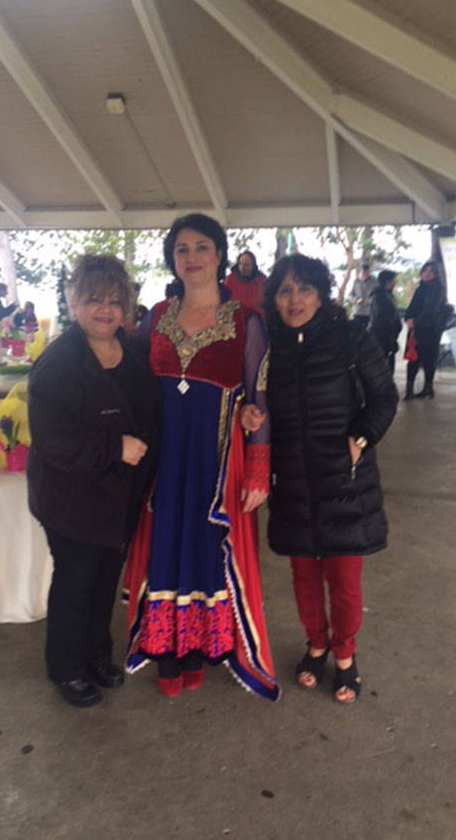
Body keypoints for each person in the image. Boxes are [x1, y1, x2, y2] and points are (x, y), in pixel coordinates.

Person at [124, 213, 279, 701]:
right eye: (181, 249)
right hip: (164, 461)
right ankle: (165, 649)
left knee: (207, 546)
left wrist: (257, 468)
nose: (191, 258)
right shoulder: (154, 317)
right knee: (165, 543)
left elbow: (260, 399)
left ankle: (200, 650)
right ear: (172, 259)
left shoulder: (246, 323)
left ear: (220, 255)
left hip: (217, 461)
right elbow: (126, 381)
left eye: (201, 247)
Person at [242, 254, 397, 703]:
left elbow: (384, 396)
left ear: (322, 293)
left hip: (344, 481)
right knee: (303, 575)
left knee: (345, 579)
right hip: (290, 480)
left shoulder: (350, 337)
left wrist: (362, 435)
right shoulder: (267, 344)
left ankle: (345, 654)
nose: (295, 300)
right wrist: (248, 413)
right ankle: (316, 643)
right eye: (286, 290)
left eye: (305, 289)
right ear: (274, 297)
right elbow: (251, 398)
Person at [27, 255, 160, 708]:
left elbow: (149, 410)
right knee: (76, 579)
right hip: (71, 498)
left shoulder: (132, 349)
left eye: (115, 300)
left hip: (117, 495)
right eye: (93, 299)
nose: (105, 309)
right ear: (73, 302)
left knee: (105, 579)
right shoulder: (58, 363)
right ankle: (66, 668)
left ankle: (98, 656)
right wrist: (114, 448)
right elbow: (52, 439)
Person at [403, 261, 447, 399]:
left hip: (430, 330)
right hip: (416, 329)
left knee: (428, 360)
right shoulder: (419, 288)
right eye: (425, 271)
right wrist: (408, 319)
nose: (427, 273)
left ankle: (428, 388)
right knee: (413, 359)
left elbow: (430, 310)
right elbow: (411, 307)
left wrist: (414, 321)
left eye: (431, 271)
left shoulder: (438, 290)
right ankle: (409, 390)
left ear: (435, 274)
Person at [368, 270, 402, 373]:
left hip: (389, 337)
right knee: (381, 367)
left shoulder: (388, 295)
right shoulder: (378, 296)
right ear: (387, 281)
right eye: (393, 280)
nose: (395, 283)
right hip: (381, 337)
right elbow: (381, 318)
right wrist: (393, 328)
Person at [224, 250, 266, 316]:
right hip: (235, 320)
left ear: (253, 266)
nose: (242, 268)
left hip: (258, 320)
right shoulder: (230, 280)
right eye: (240, 264)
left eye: (247, 265)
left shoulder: (262, 281)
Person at [350, 262, 377, 328]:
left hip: (370, 313)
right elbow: (350, 295)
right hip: (357, 312)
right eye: (363, 272)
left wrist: (368, 301)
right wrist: (356, 300)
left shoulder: (375, 281)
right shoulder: (356, 281)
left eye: (367, 272)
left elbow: (378, 297)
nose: (365, 274)